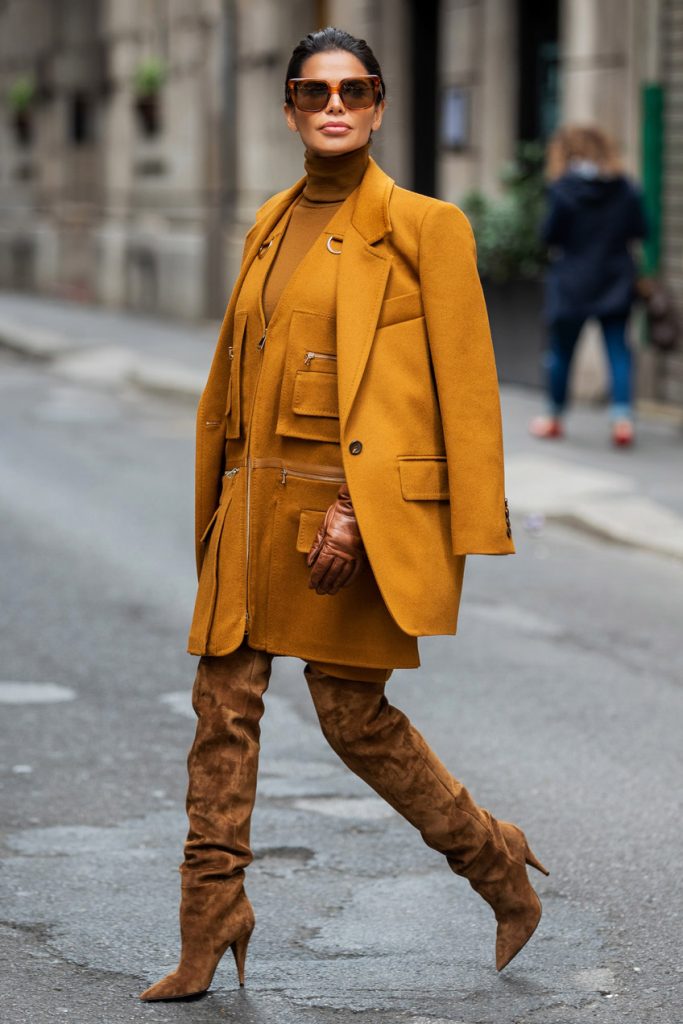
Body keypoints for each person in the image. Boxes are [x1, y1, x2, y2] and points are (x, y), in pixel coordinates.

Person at [140, 27, 548, 1002]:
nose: (335, 104)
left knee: (352, 720)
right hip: (250, 508)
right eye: (315, 89)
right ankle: (210, 919)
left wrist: (359, 516)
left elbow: (462, 396)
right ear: (289, 106)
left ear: (375, 107)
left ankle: (495, 865)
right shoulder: (269, 224)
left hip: (345, 520)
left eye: (355, 89)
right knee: (220, 710)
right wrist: (216, 505)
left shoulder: (422, 227)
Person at [530, 124, 649, 447]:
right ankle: (622, 421)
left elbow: (549, 236)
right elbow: (641, 230)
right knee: (619, 351)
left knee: (561, 352)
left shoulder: (562, 190)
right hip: (615, 279)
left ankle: (554, 417)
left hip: (572, 281)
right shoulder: (625, 188)